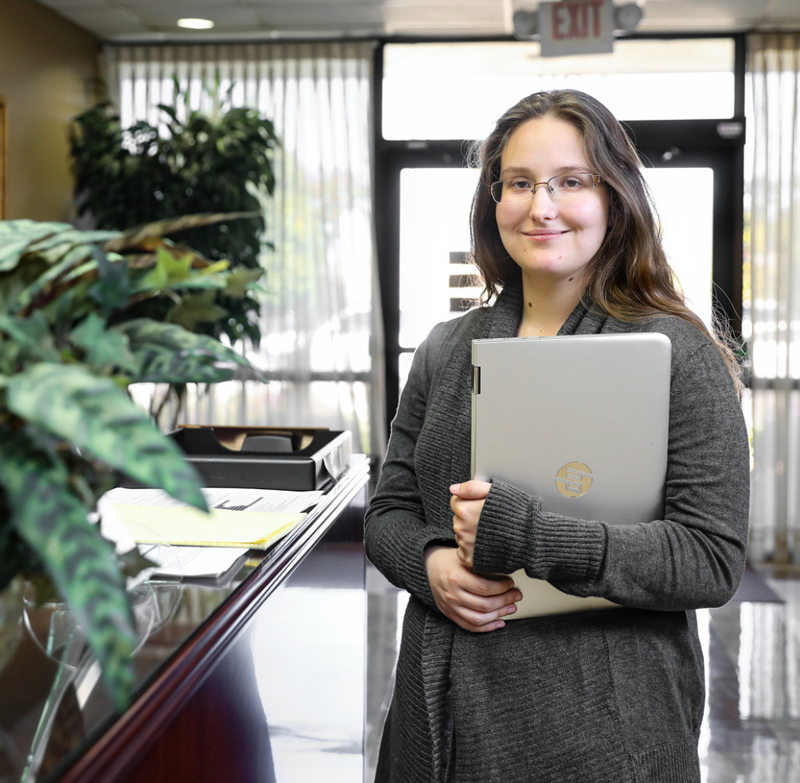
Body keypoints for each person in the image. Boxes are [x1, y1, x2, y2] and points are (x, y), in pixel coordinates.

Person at [364, 88, 750, 783]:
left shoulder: (676, 352)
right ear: (494, 200)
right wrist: (430, 565)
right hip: (439, 720)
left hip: (600, 731)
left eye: (571, 181)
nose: (541, 207)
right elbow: (388, 511)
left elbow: (710, 557)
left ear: (615, 196)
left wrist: (532, 535)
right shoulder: (446, 347)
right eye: (519, 183)